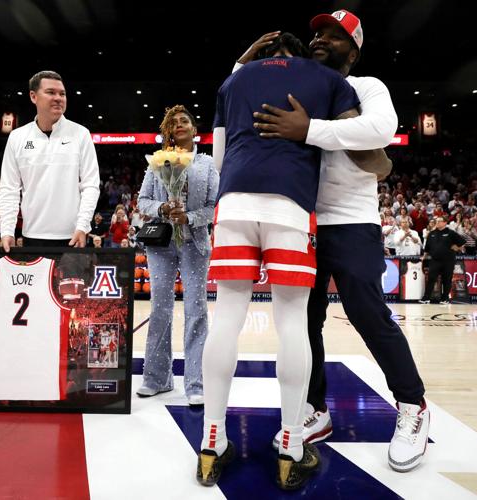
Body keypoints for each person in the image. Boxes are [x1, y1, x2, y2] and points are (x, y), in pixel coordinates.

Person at [244, 11, 428, 474]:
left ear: (355, 48)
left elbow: (379, 134)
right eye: (318, 33)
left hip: (350, 219)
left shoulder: (368, 87)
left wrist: (309, 130)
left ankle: (414, 406)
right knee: (303, 320)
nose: (321, 39)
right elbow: (240, 93)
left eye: (334, 35)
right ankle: (314, 408)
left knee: (368, 313)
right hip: (300, 217)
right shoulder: (302, 83)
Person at [200, 32, 362, 490]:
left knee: (226, 319)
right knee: (292, 321)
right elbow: (353, 141)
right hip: (290, 205)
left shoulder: (234, 82)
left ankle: (212, 441)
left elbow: (216, 161)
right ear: (295, 54)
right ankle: (291, 445)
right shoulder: (325, 76)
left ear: (264, 55)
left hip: (233, 206)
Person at [137, 106, 218, 407]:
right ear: (168, 131)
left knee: (196, 309)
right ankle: (157, 378)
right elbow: (143, 201)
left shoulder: (207, 164)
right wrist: (162, 209)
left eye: (185, 120)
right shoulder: (157, 161)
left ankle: (196, 382)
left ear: (195, 130)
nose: (180, 124)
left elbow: (213, 206)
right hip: (160, 244)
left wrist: (191, 218)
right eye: (174, 122)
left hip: (195, 243)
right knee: (159, 308)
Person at [0, 71, 100, 250]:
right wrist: (7, 230)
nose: (58, 98)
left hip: (74, 237)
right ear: (33, 96)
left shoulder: (81, 134)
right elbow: (10, 188)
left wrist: (83, 226)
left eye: (62, 94)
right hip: (32, 236)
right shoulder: (17, 137)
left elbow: (90, 185)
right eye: (51, 92)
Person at [420, 216, 466, 304]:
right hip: (435, 260)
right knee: (431, 278)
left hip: (448, 260)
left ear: (445, 223)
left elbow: (463, 242)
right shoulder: (432, 233)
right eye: (436, 221)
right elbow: (427, 247)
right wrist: (424, 256)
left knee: (447, 279)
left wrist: (457, 248)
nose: (437, 223)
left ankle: (445, 298)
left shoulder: (451, 233)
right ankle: (426, 298)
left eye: (439, 221)